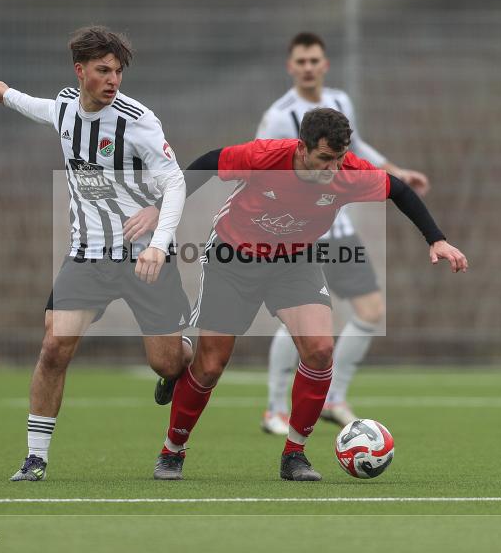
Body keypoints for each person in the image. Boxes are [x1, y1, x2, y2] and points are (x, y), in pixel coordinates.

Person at [125, 108, 468, 481]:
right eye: (324, 159)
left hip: (295, 261)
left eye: (338, 158)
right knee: (209, 366)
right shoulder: (265, 157)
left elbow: (399, 189)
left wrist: (437, 239)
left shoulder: (348, 172)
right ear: (301, 148)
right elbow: (208, 162)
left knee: (320, 350)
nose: (333, 169)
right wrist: (162, 210)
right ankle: (172, 450)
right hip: (233, 258)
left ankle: (294, 455)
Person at [0, 26, 193, 482]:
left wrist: (158, 242)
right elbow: (41, 109)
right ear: (81, 72)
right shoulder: (64, 109)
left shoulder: (138, 120)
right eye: (103, 70)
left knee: (168, 362)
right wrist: (6, 93)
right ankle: (35, 458)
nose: (113, 79)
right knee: (54, 347)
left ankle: (183, 353)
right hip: (87, 254)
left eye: (118, 71)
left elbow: (174, 181)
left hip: (142, 257)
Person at [256, 32, 431, 433]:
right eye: (300, 61)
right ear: (290, 66)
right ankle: (274, 408)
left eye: (314, 60)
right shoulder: (280, 115)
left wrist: (397, 173)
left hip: (341, 229)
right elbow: (260, 165)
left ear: (325, 64)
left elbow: (356, 151)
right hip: (298, 233)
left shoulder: (340, 102)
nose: (308, 67)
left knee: (371, 312)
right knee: (298, 323)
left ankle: (334, 398)